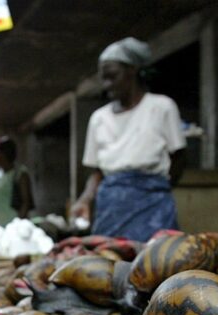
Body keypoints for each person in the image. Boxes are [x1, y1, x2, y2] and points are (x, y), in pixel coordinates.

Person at [70, 37, 186, 242]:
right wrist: (85, 200)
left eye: (112, 76)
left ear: (132, 70)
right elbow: (97, 172)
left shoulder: (161, 107)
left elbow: (179, 156)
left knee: (157, 264)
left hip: (153, 203)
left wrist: (158, 187)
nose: (107, 85)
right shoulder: (99, 118)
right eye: (103, 78)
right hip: (111, 208)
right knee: (110, 262)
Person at [0, 136, 33, 226]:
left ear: (4, 154)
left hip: (11, 227)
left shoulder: (19, 174)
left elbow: (26, 203)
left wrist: (17, 226)